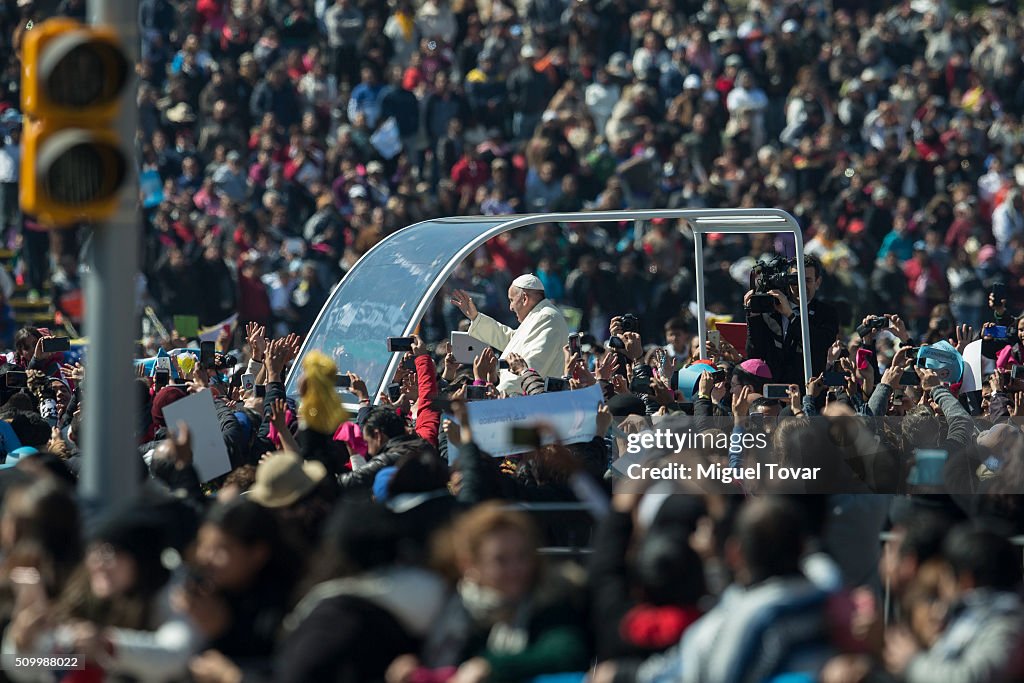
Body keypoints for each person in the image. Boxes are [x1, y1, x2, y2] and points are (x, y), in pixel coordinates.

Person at [450, 274, 571, 394]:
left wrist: (499, 394)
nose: (510, 307)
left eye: (511, 300)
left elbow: (528, 367)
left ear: (524, 298)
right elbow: (513, 341)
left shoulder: (547, 317)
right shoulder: (539, 315)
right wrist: (475, 317)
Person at [745, 255, 840, 385]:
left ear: (818, 282)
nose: (801, 285)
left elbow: (819, 344)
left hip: (808, 388)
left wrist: (791, 315)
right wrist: (753, 316)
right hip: (774, 388)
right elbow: (755, 353)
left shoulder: (826, 312)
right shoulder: (770, 310)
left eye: (807, 280)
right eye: (795, 279)